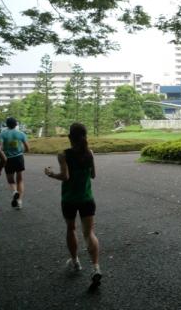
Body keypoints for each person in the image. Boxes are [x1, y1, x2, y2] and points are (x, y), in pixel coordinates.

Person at [44, 123, 102, 289]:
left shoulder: (63, 155)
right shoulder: (89, 153)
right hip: (87, 199)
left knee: (71, 229)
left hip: (69, 200)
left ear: (69, 137)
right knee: (89, 233)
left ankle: (76, 261)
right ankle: (96, 267)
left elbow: (65, 176)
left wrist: (50, 173)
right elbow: (93, 175)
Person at [0, 117, 29, 210]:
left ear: (6, 124)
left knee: (11, 180)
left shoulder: (2, 134)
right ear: (16, 124)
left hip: (8, 159)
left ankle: (14, 191)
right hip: (19, 158)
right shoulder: (21, 134)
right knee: (20, 179)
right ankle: (19, 201)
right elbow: (28, 148)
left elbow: (0, 148)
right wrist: (21, 152)